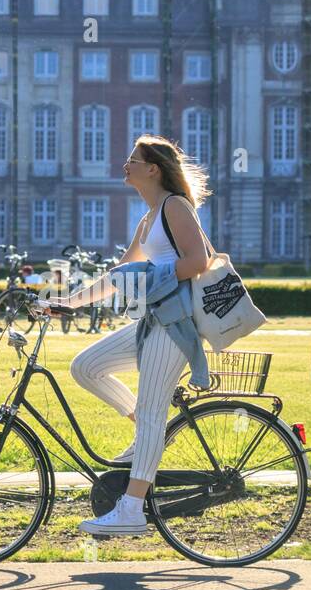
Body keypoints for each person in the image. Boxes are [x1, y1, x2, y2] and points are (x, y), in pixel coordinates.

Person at [46, 134, 212, 537]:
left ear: (152, 169)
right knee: (86, 366)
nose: (125, 164)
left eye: (132, 159)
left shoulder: (175, 207)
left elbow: (200, 260)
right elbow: (119, 275)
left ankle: (132, 510)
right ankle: (145, 433)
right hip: (153, 320)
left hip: (176, 324)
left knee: (155, 413)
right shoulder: (151, 216)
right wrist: (72, 302)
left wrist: (155, 277)